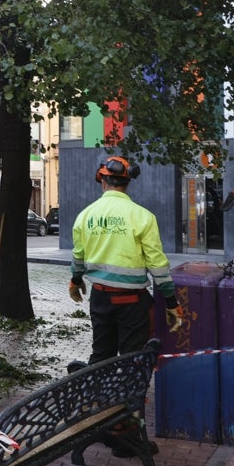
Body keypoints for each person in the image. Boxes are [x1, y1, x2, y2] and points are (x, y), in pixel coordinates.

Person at [69, 156, 183, 364]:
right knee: (132, 357)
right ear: (128, 182)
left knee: (102, 354)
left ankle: (98, 395)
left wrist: (75, 281)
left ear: (102, 181)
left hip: (100, 298)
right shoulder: (143, 217)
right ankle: (132, 397)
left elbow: (78, 256)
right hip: (132, 301)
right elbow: (157, 266)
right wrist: (171, 302)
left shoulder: (85, 216)